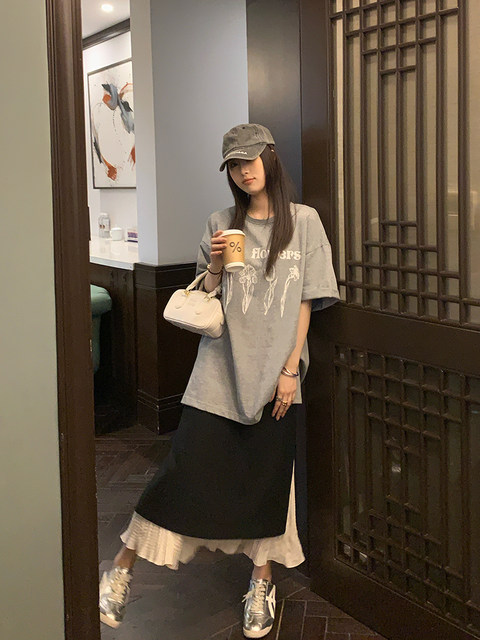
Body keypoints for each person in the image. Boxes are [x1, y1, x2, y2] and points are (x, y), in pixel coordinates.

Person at [99, 123, 339, 638]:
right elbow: (209, 297)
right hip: (217, 371)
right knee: (181, 472)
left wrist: (290, 370)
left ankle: (262, 581)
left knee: (268, 484)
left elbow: (306, 301)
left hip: (276, 378)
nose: (244, 170)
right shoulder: (221, 223)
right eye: (233, 164)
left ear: (270, 157)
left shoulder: (304, 222)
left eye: (250, 159)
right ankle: (120, 567)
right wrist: (212, 265)